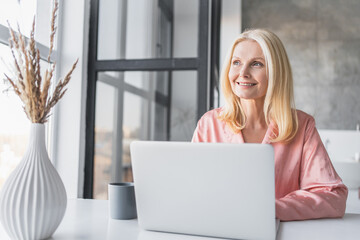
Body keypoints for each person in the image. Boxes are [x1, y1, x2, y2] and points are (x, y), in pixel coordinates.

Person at [191, 28, 348, 221]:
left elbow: (333, 196)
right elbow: (192, 189)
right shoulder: (209, 124)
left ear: (276, 72)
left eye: (256, 64)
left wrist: (270, 209)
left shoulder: (302, 126)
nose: (243, 73)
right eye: (236, 62)